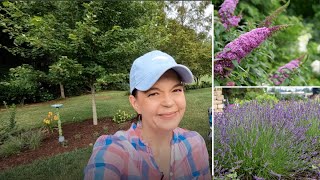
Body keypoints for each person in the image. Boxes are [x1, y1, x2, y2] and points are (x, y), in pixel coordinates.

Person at [84, 50, 211, 180]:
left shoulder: (195, 143)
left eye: (176, 90)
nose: (168, 102)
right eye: (154, 93)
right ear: (135, 103)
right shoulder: (114, 152)